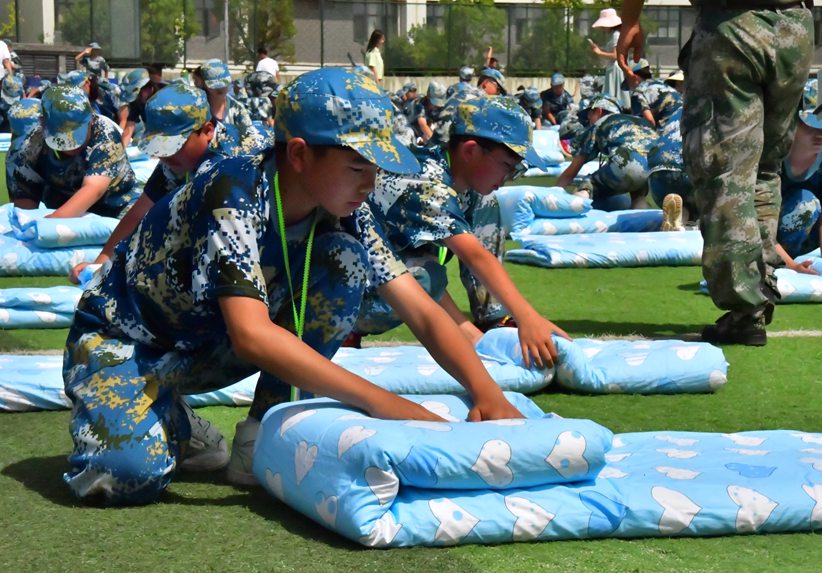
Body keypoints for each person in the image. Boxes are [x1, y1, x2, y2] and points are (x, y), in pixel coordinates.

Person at [61, 67, 522, 505]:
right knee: (123, 476)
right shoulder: (232, 190)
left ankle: (259, 435)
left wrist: (488, 394)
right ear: (299, 154)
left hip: (205, 346)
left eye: (376, 168)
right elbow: (251, 335)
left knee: (344, 260)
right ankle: (169, 419)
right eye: (358, 165)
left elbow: (417, 307)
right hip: (126, 343)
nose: (371, 182)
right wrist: (387, 405)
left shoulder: (345, 207)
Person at [616, 0, 822, 346]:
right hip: (793, 32)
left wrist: (630, 21)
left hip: (731, 26)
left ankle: (745, 307)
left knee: (725, 171)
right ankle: (758, 295)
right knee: (764, 169)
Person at [353, 95, 570, 366]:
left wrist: (473, 337)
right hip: (346, 285)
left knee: (485, 205)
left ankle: (493, 318)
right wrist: (527, 316)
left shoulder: (468, 188)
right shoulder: (427, 183)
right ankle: (347, 329)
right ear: (470, 151)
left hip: (388, 271)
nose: (506, 179)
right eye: (507, 166)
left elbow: (409, 261)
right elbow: (471, 257)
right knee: (425, 276)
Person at [68, 83, 244, 285]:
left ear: (207, 131)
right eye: (159, 146)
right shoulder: (177, 160)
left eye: (174, 145)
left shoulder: (232, 161)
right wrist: (100, 263)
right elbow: (140, 212)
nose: (164, 154)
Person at [6, 85, 137, 218]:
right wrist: (32, 228)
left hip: (116, 207)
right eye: (61, 135)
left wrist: (50, 223)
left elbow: (93, 189)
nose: (71, 146)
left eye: (76, 133)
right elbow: (24, 201)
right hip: (63, 206)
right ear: (43, 123)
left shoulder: (105, 133)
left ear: (91, 119)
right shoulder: (29, 147)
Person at [776, 108, 822, 272]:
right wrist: (792, 266)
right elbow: (755, 219)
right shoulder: (769, 152)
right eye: (812, 126)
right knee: (805, 204)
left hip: (806, 233)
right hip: (761, 229)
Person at [555, 96, 658, 211]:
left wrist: (553, 196)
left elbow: (570, 172)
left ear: (598, 111)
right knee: (638, 194)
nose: (588, 121)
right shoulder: (637, 121)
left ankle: (571, 215)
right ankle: (644, 223)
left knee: (588, 185)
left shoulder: (601, 123)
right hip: (653, 169)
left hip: (627, 164)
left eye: (589, 114)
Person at [198, 59, 269, 156]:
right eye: (215, 84)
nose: (220, 88)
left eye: (224, 83)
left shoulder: (236, 108)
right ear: (204, 84)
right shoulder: (197, 107)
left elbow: (250, 137)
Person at [588, 8, 630, 111]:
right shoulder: (614, 35)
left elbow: (616, 55)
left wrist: (599, 53)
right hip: (615, 68)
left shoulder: (615, 35)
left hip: (616, 69)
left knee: (614, 98)